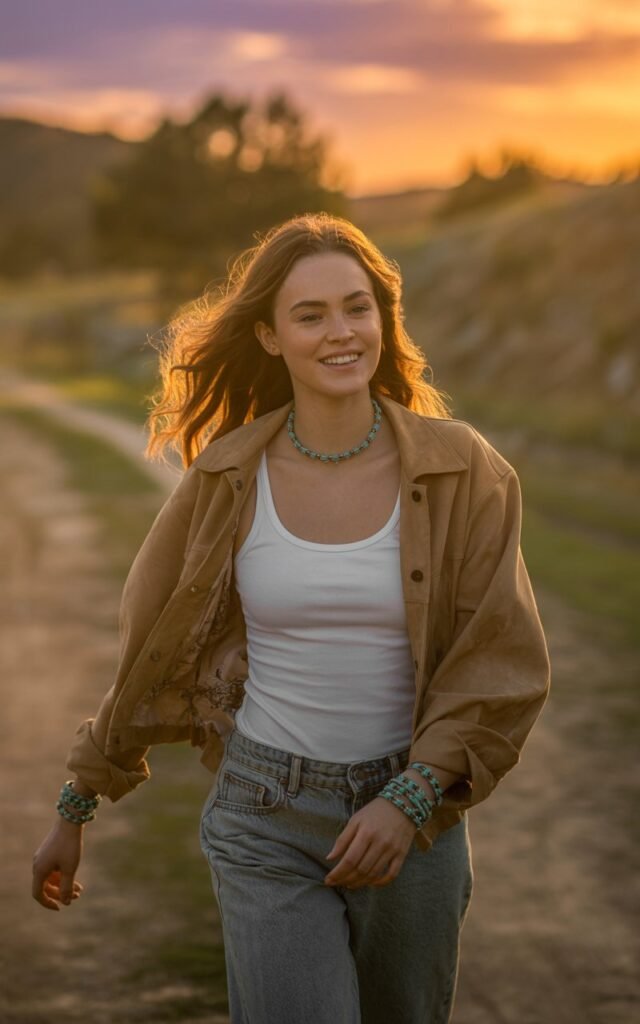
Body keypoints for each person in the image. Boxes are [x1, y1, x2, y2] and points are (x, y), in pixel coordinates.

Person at [32, 212, 551, 1023]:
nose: (340, 333)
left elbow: (501, 660)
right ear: (270, 337)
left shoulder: (465, 471)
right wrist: (78, 801)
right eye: (310, 315)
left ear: (385, 319)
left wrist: (410, 796)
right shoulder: (228, 474)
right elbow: (150, 645)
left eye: (357, 307)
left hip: (413, 823)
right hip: (262, 815)